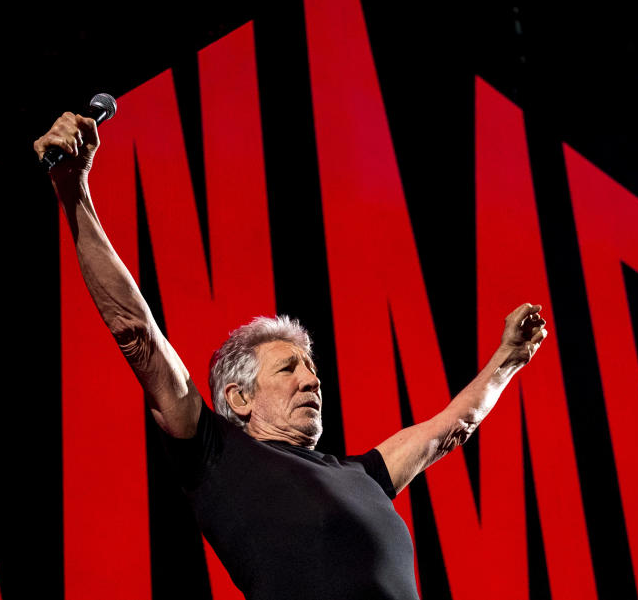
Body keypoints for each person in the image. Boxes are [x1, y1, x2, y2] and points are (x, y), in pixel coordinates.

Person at [34, 112, 548, 600]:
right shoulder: (216, 455)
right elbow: (136, 330)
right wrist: (73, 190)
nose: (313, 380)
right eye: (289, 368)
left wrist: (508, 358)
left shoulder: (362, 475)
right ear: (238, 396)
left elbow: (451, 428)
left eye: (312, 368)